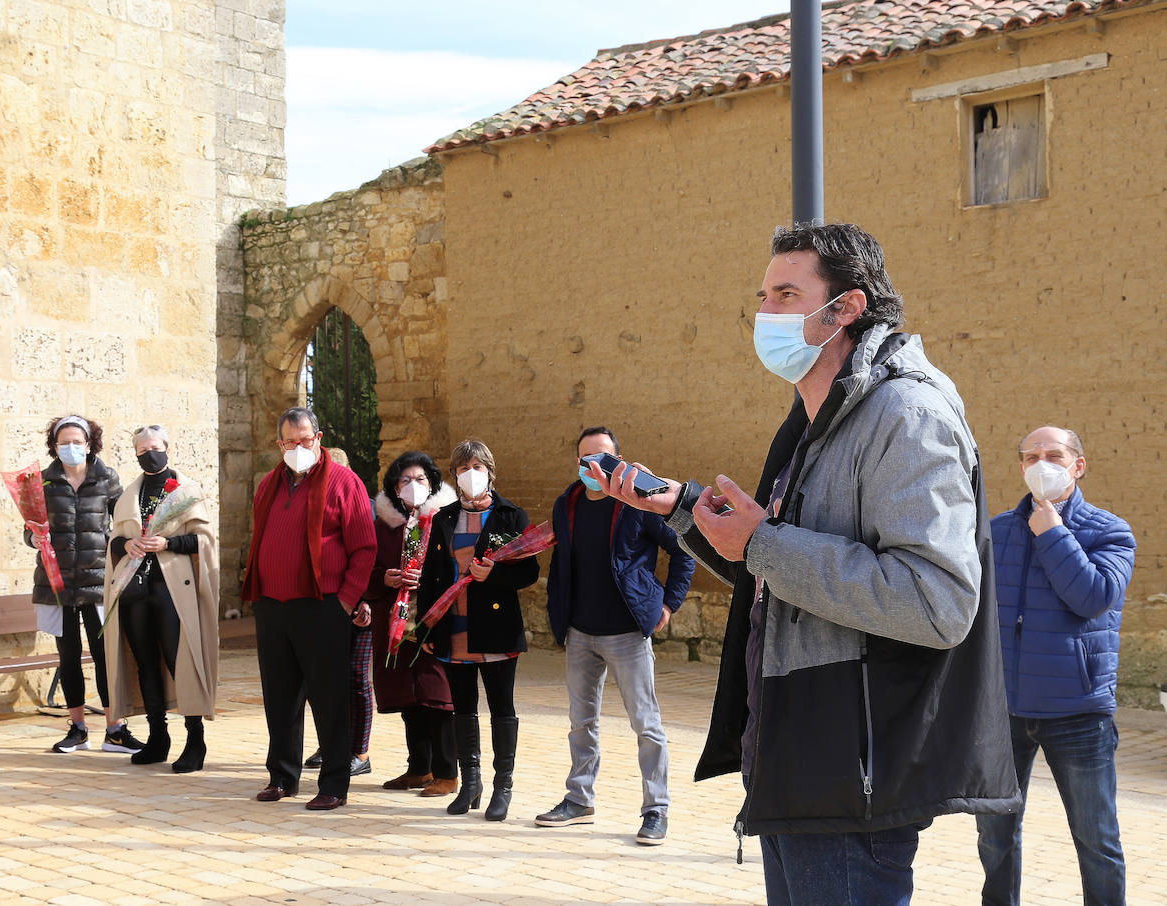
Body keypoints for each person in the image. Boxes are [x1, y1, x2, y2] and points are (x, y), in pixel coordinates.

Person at [589, 223, 1018, 904]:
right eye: (763, 295)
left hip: (852, 777)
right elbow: (779, 572)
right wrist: (679, 506)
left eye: (788, 294)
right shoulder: (815, 420)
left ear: (845, 308)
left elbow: (937, 601)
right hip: (795, 758)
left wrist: (763, 542)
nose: (767, 313)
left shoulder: (907, 414)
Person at [975, 426, 1135, 906]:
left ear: (1077, 465)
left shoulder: (1110, 531)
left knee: (1097, 841)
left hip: (1077, 711)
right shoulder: (997, 531)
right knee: (995, 839)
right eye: (1031, 456)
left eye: (1053, 454)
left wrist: (1054, 535)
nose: (1041, 463)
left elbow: (1093, 597)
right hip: (1003, 712)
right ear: (1021, 467)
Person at [535, 426, 695, 845]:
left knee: (646, 724)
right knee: (580, 722)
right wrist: (560, 617)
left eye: (604, 459)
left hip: (626, 632)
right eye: (587, 459)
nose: (595, 467)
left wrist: (668, 604)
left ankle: (656, 809)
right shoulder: (566, 504)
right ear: (578, 464)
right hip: (580, 632)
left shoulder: (639, 502)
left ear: (619, 462)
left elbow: (683, 550)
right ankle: (579, 800)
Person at [239, 408, 376, 810]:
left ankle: (334, 783)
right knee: (279, 697)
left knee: (330, 699)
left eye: (306, 440)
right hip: (273, 606)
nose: (298, 448)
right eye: (290, 442)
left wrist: (346, 602)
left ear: (319, 437)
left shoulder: (343, 482)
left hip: (323, 607)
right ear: (279, 444)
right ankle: (282, 776)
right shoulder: (268, 484)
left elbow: (365, 548)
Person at [419, 440, 539, 821]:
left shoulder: (511, 516)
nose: (470, 473)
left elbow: (530, 572)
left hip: (496, 628)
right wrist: (424, 628)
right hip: (453, 626)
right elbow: (430, 577)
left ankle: (502, 787)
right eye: (462, 467)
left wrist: (496, 575)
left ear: (489, 469)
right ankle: (470, 783)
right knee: (463, 708)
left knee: (502, 708)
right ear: (454, 475)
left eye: (477, 465)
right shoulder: (443, 518)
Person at [103, 426, 219, 773]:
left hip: (172, 590)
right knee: (145, 662)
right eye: (142, 450)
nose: (148, 454)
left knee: (179, 661)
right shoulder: (127, 497)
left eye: (154, 447)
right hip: (135, 590)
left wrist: (166, 544)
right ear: (136, 454)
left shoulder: (186, 491)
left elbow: (203, 542)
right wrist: (127, 545)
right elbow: (113, 543)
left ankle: (194, 739)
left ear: (167, 449)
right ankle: (157, 736)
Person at [27, 415, 143, 756]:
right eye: (64, 442)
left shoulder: (106, 479)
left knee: (107, 656)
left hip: (97, 581)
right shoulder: (42, 482)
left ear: (90, 444)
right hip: (57, 581)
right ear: (54, 445)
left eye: (78, 442)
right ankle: (77, 729)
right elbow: (29, 528)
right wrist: (33, 537)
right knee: (68, 657)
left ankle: (115, 730)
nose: (71, 447)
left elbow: (124, 522)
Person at [366, 451, 458, 796]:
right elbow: (364, 568)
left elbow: (457, 565)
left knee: (438, 696)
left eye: (420, 479)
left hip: (432, 619)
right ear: (393, 487)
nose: (413, 486)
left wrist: (431, 578)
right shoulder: (382, 525)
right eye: (405, 480)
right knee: (409, 697)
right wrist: (383, 579)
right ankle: (419, 767)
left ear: (432, 483)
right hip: (394, 622)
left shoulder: (446, 518)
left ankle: (447, 771)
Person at [304, 447, 375, 778]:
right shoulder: (314, 505)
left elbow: (371, 559)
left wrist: (364, 600)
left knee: (356, 679)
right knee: (323, 682)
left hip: (359, 609)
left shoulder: (364, 507)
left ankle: (360, 752)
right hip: (323, 608)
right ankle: (330, 745)